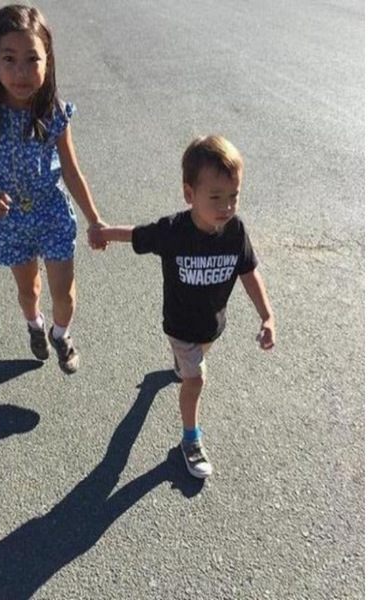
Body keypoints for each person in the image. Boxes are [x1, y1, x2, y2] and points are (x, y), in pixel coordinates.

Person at [92, 135, 276, 478]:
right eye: (216, 197)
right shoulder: (174, 231)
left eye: (234, 196)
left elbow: (249, 272)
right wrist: (103, 232)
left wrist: (267, 315)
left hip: (211, 326)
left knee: (194, 362)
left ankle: (179, 367)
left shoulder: (235, 231)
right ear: (190, 195)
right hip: (179, 326)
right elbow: (137, 235)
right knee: (195, 379)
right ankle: (190, 440)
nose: (227, 206)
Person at [0, 4, 106, 374]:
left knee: (63, 293)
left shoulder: (53, 110)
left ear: (47, 60)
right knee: (29, 290)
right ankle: (35, 325)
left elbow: (71, 170)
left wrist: (95, 219)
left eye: (31, 59)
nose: (21, 72)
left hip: (51, 213)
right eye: (9, 58)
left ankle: (61, 334)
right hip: (8, 218)